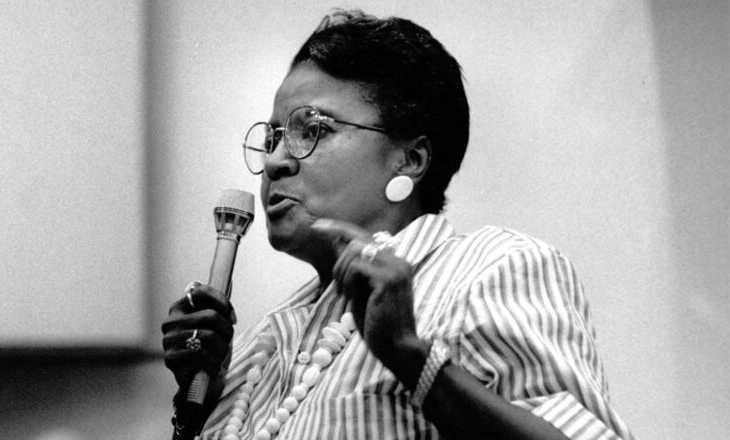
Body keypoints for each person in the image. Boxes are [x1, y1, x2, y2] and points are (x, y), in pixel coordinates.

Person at [162, 9, 635, 440]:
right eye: (273, 136)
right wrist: (195, 400)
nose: (275, 162)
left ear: (409, 159)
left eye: (313, 129)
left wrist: (412, 356)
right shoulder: (260, 344)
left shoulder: (492, 269)